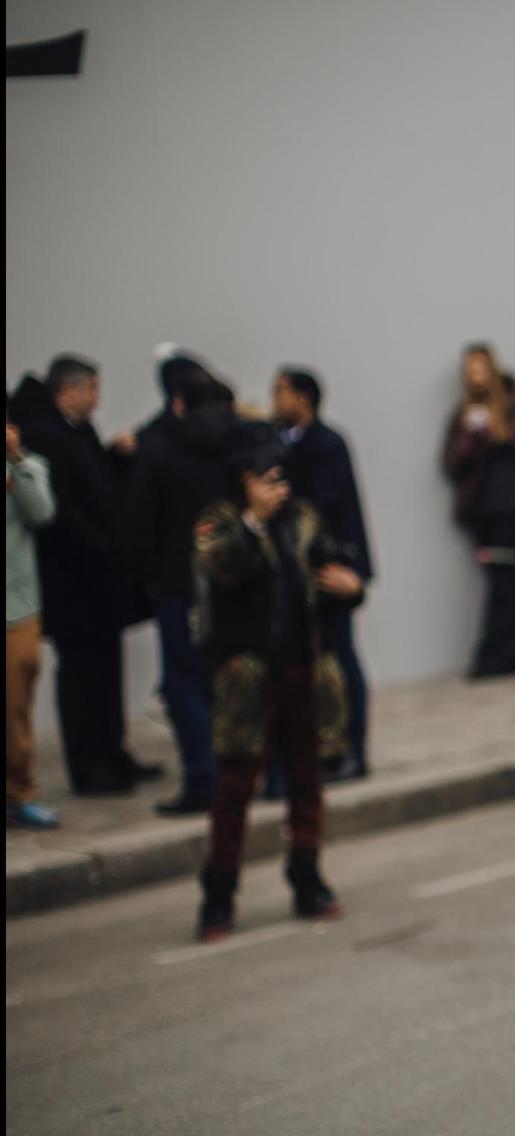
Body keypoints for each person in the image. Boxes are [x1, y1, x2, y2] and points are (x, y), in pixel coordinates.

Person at [192, 421, 362, 942]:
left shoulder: (304, 521)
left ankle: (307, 875)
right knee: (236, 787)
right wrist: (254, 523)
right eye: (266, 478)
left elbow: (335, 568)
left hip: (301, 672)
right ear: (242, 479)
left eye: (281, 478)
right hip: (246, 679)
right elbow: (224, 569)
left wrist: (351, 586)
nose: (278, 488)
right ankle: (219, 892)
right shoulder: (218, 523)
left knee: (308, 782)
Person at [12, 356, 160, 796]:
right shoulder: (46, 435)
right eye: (92, 388)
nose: (97, 398)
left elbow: (97, 485)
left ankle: (113, 752)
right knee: (81, 676)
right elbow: (61, 513)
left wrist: (115, 458)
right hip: (74, 583)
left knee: (106, 670)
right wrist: (100, 546)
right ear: (69, 391)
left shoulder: (79, 432)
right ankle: (89, 765)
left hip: (100, 581)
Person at [124, 353, 238, 815]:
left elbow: (138, 522)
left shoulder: (159, 445)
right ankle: (249, 771)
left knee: (183, 681)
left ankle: (203, 778)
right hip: (233, 577)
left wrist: (146, 575)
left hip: (178, 580)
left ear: (174, 400)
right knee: (228, 675)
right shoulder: (238, 438)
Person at [272, 367, 373, 780]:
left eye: (280, 392)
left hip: (331, 570)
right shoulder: (286, 442)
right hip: (304, 574)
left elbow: (340, 511)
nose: (274, 401)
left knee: (341, 658)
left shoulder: (327, 444)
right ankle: (327, 747)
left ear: (303, 398)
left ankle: (352, 750)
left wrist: (352, 573)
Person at [441, 343, 515, 679]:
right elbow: (451, 465)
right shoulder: (463, 417)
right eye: (469, 369)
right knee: (505, 582)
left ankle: (494, 658)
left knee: (505, 584)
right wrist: (470, 439)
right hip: (483, 514)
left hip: (514, 510)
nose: (474, 375)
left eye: (480, 367)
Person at [6, 397, 61, 830]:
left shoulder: (28, 467)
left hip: (16, 608)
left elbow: (42, 512)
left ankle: (19, 792)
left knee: (15, 708)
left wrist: (16, 460)